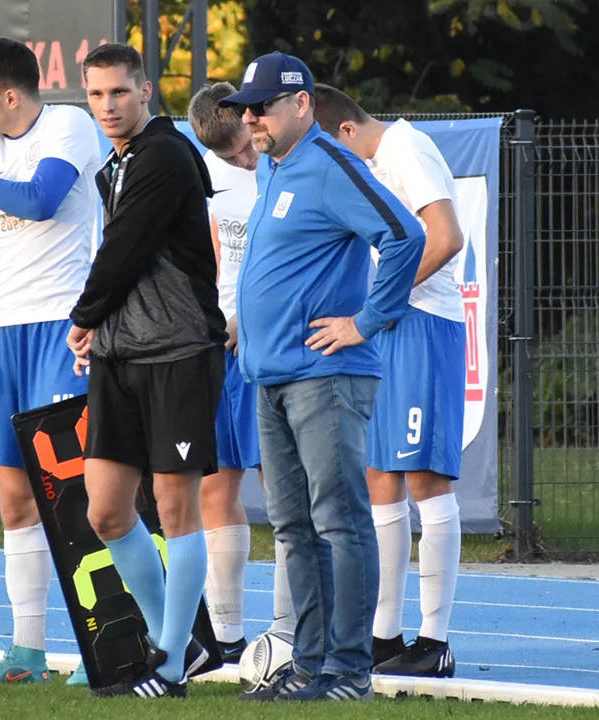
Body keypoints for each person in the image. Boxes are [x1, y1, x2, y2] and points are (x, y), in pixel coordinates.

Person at [217, 52, 425, 702]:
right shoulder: (276, 167)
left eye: (262, 107)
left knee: (338, 520)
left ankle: (348, 671)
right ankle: (307, 666)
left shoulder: (329, 163)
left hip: (325, 375)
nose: (251, 118)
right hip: (273, 376)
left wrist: (366, 321)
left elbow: (405, 235)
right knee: (293, 527)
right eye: (245, 109)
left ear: (302, 104)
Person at [0, 36, 100, 687]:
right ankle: (26, 653)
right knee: (14, 499)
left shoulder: (67, 124)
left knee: (81, 494)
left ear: (10, 95)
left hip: (64, 329)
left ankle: (107, 643)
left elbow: (41, 200)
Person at [66, 43, 227, 700]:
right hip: (119, 357)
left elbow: (125, 249)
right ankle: (180, 639)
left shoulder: (163, 154)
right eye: (96, 94)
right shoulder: (119, 162)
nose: (107, 105)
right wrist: (100, 331)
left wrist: (84, 315)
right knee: (106, 512)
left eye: (118, 93)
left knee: (174, 508)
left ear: (146, 93)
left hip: (179, 353)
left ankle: (167, 663)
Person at [313, 85, 467, 678]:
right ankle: (384, 636)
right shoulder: (377, 159)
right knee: (380, 478)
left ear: (344, 133)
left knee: (425, 478)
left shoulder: (406, 147)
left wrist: (375, 308)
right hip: (387, 329)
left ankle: (436, 641)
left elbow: (447, 237)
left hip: (424, 326)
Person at [187, 81, 298, 659]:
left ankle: (287, 629)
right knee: (216, 483)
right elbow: (210, 257)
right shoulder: (203, 174)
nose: (244, 159)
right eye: (231, 156)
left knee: (283, 489)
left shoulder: (294, 159)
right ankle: (228, 637)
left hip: (280, 342)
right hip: (223, 347)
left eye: (246, 147)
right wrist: (219, 318)